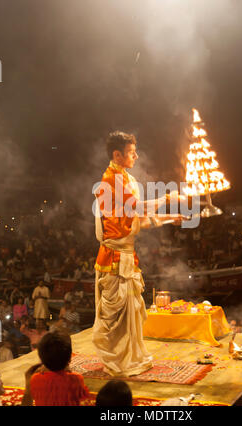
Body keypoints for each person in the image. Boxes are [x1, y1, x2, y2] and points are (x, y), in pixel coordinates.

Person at [92, 131, 182, 377]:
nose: (136, 156)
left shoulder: (125, 179)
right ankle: (116, 360)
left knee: (130, 312)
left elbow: (138, 219)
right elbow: (138, 209)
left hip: (127, 257)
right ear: (117, 155)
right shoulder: (111, 180)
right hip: (114, 259)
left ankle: (128, 358)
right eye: (131, 152)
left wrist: (171, 217)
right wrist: (166, 198)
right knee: (115, 316)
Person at [21, 330, 90, 406]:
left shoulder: (35, 379)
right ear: (70, 358)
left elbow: (27, 401)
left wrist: (28, 386)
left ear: (41, 358)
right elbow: (83, 396)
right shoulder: (76, 379)